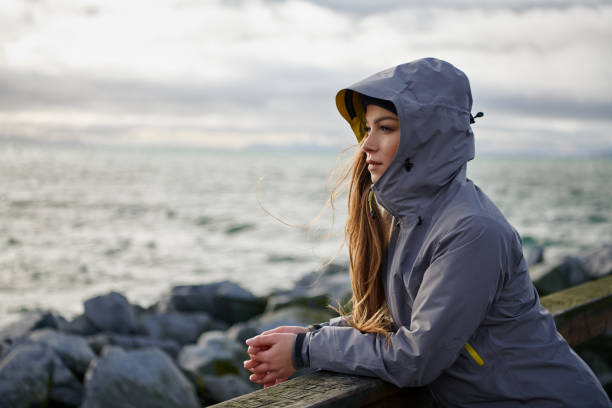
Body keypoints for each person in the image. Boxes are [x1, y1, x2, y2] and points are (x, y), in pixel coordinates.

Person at [243, 58, 611, 407]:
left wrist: (305, 351)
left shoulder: (471, 230)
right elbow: (398, 319)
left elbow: (416, 358)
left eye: (385, 128)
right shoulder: (407, 218)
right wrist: (311, 335)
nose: (367, 144)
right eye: (368, 128)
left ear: (428, 137)